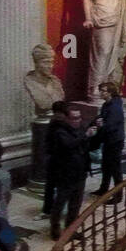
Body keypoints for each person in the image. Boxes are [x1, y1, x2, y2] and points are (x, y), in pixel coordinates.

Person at [40, 101, 94, 238]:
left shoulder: (81, 128)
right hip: (66, 173)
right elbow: (69, 145)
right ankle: (55, 229)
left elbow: (86, 147)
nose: (78, 121)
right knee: (60, 203)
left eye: (79, 117)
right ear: (67, 118)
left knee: (75, 204)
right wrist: (85, 136)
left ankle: (71, 229)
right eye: (75, 118)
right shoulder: (60, 131)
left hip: (80, 172)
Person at [96, 80, 126, 194]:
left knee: (115, 169)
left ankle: (118, 194)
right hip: (109, 140)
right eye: (100, 90)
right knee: (106, 167)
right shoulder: (106, 104)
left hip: (115, 141)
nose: (100, 93)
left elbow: (111, 126)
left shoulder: (114, 106)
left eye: (103, 91)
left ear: (110, 92)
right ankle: (103, 189)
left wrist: (101, 124)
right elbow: (101, 117)